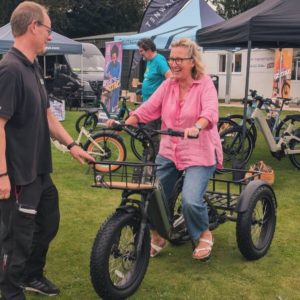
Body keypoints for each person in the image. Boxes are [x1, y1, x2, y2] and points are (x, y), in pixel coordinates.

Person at [0, 2, 94, 299]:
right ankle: (11, 291)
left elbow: (47, 116)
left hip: (39, 170)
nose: (50, 37)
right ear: (33, 27)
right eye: (49, 30)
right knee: (17, 239)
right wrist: (2, 174)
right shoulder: (9, 69)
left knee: (48, 222)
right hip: (18, 174)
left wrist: (73, 145)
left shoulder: (32, 68)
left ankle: (31, 274)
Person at [109, 38, 223, 260]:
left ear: (192, 61)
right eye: (172, 59)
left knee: (190, 200)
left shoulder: (205, 84)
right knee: (151, 195)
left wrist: (197, 126)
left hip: (199, 151)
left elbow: (210, 112)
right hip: (170, 151)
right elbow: (148, 109)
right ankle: (158, 235)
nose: (174, 63)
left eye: (179, 59)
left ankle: (203, 233)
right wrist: (125, 123)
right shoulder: (168, 85)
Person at [137, 38, 172, 156]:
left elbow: (170, 78)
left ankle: (154, 158)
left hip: (156, 106)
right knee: (147, 132)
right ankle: (151, 154)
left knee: (152, 133)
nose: (140, 53)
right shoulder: (149, 61)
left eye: (141, 51)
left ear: (149, 50)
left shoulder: (159, 60)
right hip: (147, 103)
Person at [104, 44, 121, 113]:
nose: (113, 58)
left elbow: (119, 74)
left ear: (117, 56)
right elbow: (106, 73)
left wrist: (116, 79)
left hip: (116, 82)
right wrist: (109, 76)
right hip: (111, 83)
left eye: (115, 57)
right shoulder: (109, 63)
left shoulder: (119, 64)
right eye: (112, 57)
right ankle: (109, 110)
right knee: (111, 95)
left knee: (115, 96)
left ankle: (113, 109)